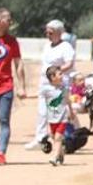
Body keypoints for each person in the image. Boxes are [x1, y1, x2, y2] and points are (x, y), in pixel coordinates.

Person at [26, 20, 75, 150]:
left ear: (59, 33)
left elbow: (69, 63)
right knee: (42, 111)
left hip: (57, 85)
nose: (47, 34)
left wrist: (56, 73)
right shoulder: (47, 46)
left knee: (57, 112)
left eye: (51, 32)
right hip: (44, 83)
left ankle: (66, 137)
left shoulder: (66, 47)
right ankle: (41, 138)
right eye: (46, 32)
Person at [0, 8, 27, 165]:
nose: (10, 22)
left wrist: (22, 87)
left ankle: (1, 153)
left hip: (6, 86)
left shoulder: (12, 42)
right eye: (8, 19)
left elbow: (19, 64)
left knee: (4, 120)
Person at [40, 65, 75, 166]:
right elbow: (39, 96)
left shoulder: (64, 88)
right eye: (59, 74)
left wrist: (71, 112)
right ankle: (61, 154)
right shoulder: (46, 89)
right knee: (53, 137)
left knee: (58, 138)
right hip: (51, 119)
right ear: (52, 77)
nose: (62, 76)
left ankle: (54, 157)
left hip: (62, 118)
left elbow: (68, 101)